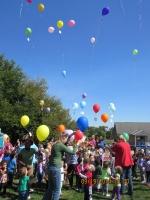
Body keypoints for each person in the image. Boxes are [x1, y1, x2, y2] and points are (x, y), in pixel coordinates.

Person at [43, 133, 78, 200]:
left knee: (50, 188)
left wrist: (72, 134)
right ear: (63, 138)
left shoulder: (55, 144)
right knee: (57, 190)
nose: (67, 141)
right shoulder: (60, 145)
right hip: (56, 168)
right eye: (66, 139)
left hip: (50, 167)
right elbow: (73, 152)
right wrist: (75, 144)